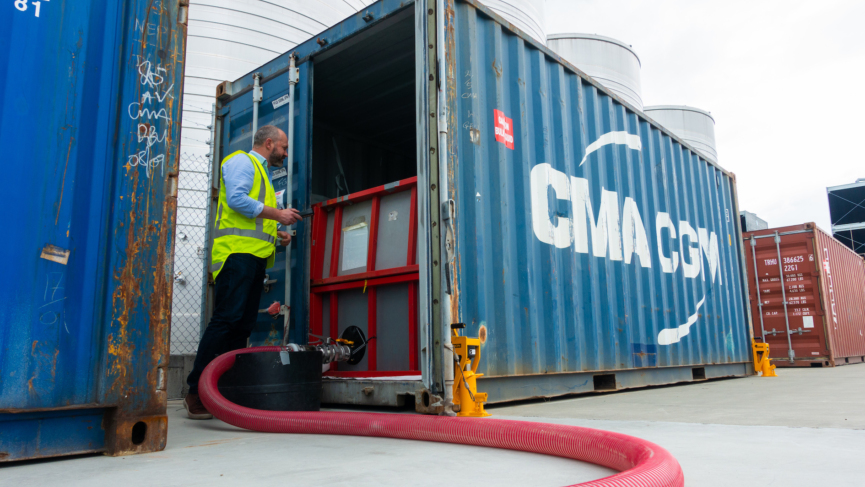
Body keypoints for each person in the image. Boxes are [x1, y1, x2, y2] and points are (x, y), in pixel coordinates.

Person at [184, 125, 300, 419]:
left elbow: (252, 223)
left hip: (253, 257)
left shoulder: (264, 174)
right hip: (236, 256)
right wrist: (278, 215)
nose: (285, 154)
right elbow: (236, 200)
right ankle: (195, 392)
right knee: (226, 321)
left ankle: (223, 392)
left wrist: (277, 235)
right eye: (283, 148)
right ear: (269, 143)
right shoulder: (241, 162)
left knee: (242, 326)